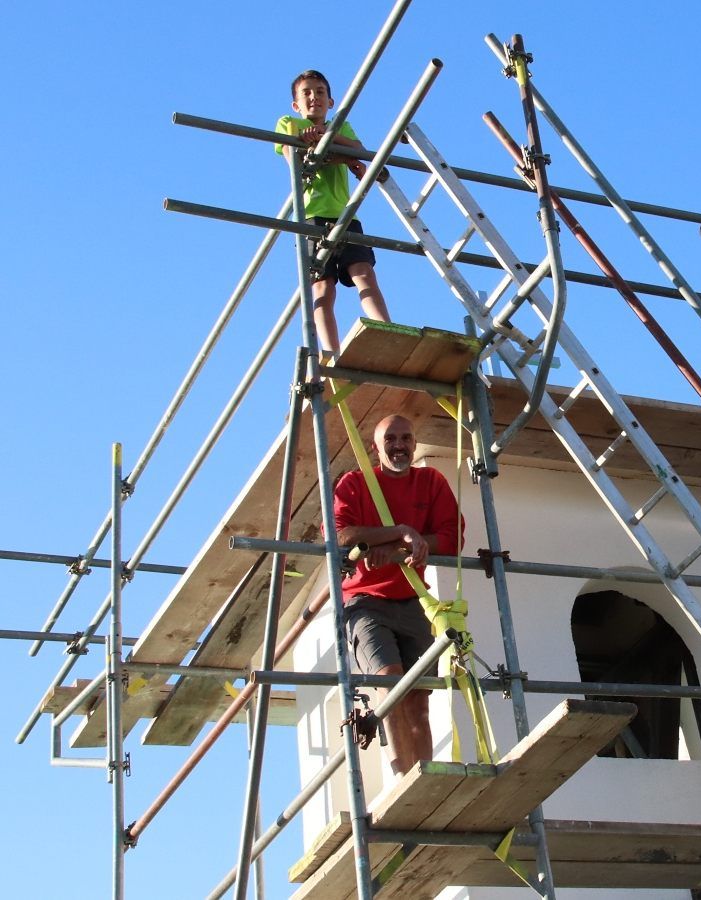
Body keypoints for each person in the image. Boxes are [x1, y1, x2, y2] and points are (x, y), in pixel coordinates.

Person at [333, 414, 463, 775]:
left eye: (406, 437)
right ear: (376, 447)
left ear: (414, 443)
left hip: (412, 600)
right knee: (389, 681)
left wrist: (398, 550)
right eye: (390, 439)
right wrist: (401, 531)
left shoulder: (430, 481)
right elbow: (341, 536)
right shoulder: (355, 484)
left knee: (418, 695)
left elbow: (452, 537)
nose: (399, 445)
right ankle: (403, 778)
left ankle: (426, 777)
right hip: (365, 602)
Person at [275, 69, 390, 359]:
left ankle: (386, 332)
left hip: (345, 214)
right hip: (312, 217)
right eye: (307, 93)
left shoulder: (341, 126)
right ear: (296, 104)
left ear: (331, 102)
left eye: (320, 92)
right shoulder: (289, 123)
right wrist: (338, 154)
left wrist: (327, 138)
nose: (314, 97)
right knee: (322, 289)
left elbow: (360, 151)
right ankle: (331, 353)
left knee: (364, 274)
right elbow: (296, 160)